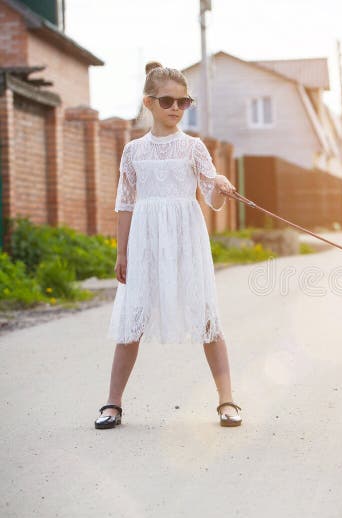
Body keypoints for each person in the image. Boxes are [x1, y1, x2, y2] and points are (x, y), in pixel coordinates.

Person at [95, 61, 242, 429]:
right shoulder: (133, 151)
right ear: (149, 103)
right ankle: (112, 404)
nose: (176, 108)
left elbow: (213, 198)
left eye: (183, 101)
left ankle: (227, 401)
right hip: (145, 241)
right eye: (167, 101)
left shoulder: (194, 148)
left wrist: (221, 183)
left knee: (208, 319)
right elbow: (125, 204)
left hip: (186, 241)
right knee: (132, 321)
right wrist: (122, 252)